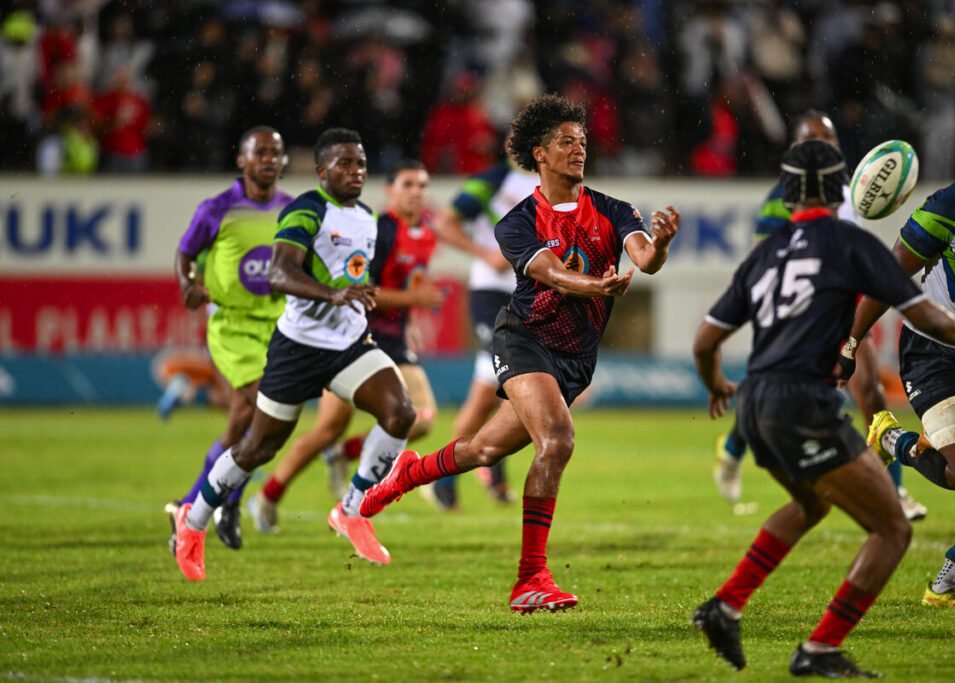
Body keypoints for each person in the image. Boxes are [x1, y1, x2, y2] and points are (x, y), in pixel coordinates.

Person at [690, 139, 955, 677]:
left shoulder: (766, 252)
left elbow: (706, 341)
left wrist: (716, 384)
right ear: (848, 184)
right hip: (805, 404)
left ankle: (724, 607)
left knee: (809, 504)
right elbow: (921, 311)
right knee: (892, 528)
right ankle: (820, 648)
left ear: (788, 192)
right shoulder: (850, 242)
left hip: (753, 401)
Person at [358, 94, 680, 612]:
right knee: (556, 439)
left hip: (576, 358)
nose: (578, 150)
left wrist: (659, 246)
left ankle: (408, 473)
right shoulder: (517, 221)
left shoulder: (616, 210)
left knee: (483, 450)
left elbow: (644, 256)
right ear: (540, 154)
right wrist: (596, 287)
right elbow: (548, 273)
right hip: (524, 337)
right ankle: (531, 577)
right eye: (565, 142)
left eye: (581, 141)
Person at [170, 128, 416, 580]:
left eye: (360, 162)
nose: (355, 170)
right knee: (257, 446)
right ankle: (193, 520)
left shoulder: (366, 217)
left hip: (347, 345)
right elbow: (280, 274)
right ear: (322, 171)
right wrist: (335, 295)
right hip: (298, 349)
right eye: (344, 163)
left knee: (401, 413)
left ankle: (352, 508)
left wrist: (360, 299)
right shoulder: (305, 209)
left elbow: (355, 276)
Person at [843, 109, 955, 609]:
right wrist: (850, 343)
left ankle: (947, 585)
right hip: (932, 349)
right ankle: (889, 436)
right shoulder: (954, 203)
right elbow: (889, 276)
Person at [713, 110, 927, 524]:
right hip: (797, 319)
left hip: (841, 313)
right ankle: (733, 449)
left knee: (869, 390)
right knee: (772, 391)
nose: (822, 146)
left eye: (828, 140)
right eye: (813, 139)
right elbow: (764, 262)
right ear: (796, 147)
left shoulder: (853, 191)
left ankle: (896, 490)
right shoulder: (780, 198)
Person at [247, 160, 445, 533]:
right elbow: (365, 291)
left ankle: (345, 457)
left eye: (423, 184)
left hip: (395, 343)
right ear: (390, 191)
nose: (417, 191)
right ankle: (269, 495)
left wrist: (412, 318)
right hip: (352, 340)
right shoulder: (381, 231)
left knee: (420, 418)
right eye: (408, 184)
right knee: (327, 428)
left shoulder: (427, 235)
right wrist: (413, 300)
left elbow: (409, 286)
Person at [164, 126, 292, 552]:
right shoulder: (217, 208)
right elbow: (185, 252)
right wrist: (188, 284)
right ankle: (230, 501)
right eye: (260, 153)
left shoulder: (291, 210)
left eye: (275, 152)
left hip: (277, 326)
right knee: (263, 407)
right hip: (233, 326)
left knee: (243, 422)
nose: (269, 159)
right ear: (242, 160)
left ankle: (190, 504)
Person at [427, 153, 538, 509]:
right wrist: (483, 253)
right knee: (498, 387)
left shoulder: (558, 187)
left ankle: (483, 468)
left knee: (499, 390)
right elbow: (444, 223)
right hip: (491, 293)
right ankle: (447, 477)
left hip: (527, 296)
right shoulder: (494, 179)